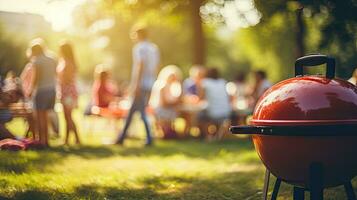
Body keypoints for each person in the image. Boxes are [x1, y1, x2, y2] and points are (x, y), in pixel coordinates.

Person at [116, 26, 160, 146]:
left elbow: (140, 65)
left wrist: (136, 85)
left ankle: (149, 138)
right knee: (133, 110)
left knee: (142, 111)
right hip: (150, 83)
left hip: (141, 84)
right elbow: (156, 66)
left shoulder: (139, 48)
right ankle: (122, 137)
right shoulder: (153, 48)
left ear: (138, 35)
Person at [28, 39, 57, 147]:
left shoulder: (37, 60)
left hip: (41, 90)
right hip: (52, 89)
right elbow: (55, 74)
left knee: (39, 117)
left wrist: (31, 90)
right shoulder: (51, 59)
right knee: (45, 116)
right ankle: (46, 141)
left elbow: (37, 77)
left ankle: (41, 141)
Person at [198, 67, 232, 138]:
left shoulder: (205, 82)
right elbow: (229, 97)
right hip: (226, 111)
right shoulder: (223, 82)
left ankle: (208, 136)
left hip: (213, 112)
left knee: (200, 116)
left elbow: (200, 97)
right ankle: (218, 135)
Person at [57, 42, 80, 145]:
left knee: (68, 116)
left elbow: (67, 78)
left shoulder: (69, 63)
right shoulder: (64, 61)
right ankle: (67, 139)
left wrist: (60, 79)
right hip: (64, 91)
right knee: (66, 116)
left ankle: (77, 139)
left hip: (68, 92)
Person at [150, 65, 182, 139]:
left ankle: (168, 131)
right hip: (161, 109)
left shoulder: (166, 85)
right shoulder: (163, 86)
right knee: (175, 111)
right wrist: (175, 102)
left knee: (175, 110)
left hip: (161, 108)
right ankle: (168, 132)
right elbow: (164, 103)